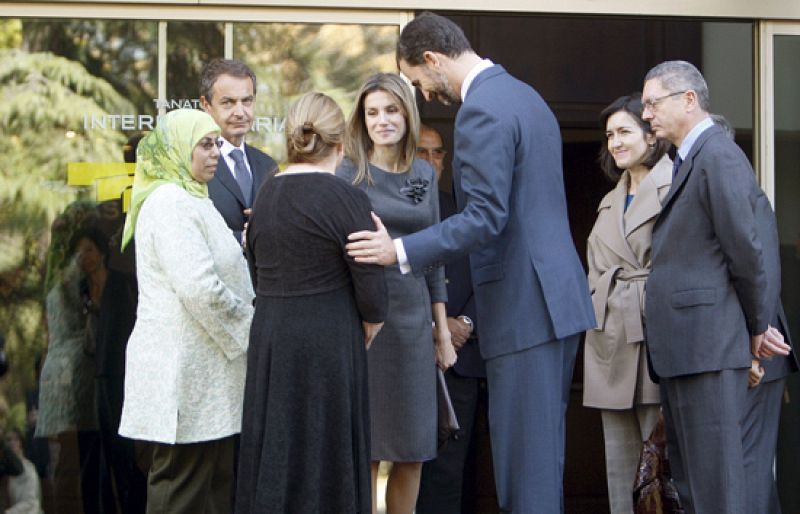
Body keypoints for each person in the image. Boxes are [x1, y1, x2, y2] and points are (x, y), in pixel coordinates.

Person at [346, 13, 596, 513]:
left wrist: (398, 250)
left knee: (524, 471)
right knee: (539, 462)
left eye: (417, 82)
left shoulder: (481, 109)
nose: (424, 96)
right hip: (550, 302)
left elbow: (484, 217)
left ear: (433, 60)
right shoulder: (525, 96)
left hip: (526, 306)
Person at [640, 60, 790, 513]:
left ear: (689, 99)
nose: (646, 114)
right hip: (689, 349)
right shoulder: (693, 159)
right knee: (695, 487)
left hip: (709, 347)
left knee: (716, 488)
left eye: (653, 102)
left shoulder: (718, 155)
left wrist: (757, 326)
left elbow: (746, 250)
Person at [235, 91, 387, 513]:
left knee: (276, 450)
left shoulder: (263, 197)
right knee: (328, 452)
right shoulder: (348, 198)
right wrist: (369, 323)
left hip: (272, 339)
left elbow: (256, 271)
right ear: (340, 146)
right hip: (329, 342)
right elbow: (373, 295)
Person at [118, 108, 254, 514]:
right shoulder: (170, 202)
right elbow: (201, 289)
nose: (215, 152)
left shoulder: (192, 195)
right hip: (184, 380)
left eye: (217, 143)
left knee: (208, 491)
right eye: (204, 144)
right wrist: (253, 328)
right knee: (184, 491)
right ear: (177, 149)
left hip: (205, 378)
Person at [337, 72, 456, 514]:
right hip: (363, 320)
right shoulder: (347, 171)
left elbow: (435, 255)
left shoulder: (424, 173)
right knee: (366, 446)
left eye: (391, 110)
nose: (382, 120)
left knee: (413, 447)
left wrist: (441, 332)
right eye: (372, 113)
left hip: (411, 324)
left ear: (407, 113)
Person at [582, 94, 671, 514]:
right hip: (610, 338)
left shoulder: (678, 185)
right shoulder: (610, 199)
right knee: (619, 466)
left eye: (625, 132)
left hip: (656, 335)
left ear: (652, 135)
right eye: (610, 135)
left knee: (663, 466)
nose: (615, 142)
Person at [711, 113, 799, 514]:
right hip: (728, 353)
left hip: (754, 353)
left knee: (748, 475)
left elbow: (759, 273)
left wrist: (753, 343)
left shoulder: (742, 193)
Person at [415, 124, 487, 514]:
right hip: (410, 354)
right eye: (421, 152)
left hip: (462, 358)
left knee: (454, 471)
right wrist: (431, 328)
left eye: (437, 153)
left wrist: (466, 324)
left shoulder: (465, 212)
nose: (430, 160)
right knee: (408, 466)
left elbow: (488, 273)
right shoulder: (392, 209)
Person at [199, 58, 278, 242]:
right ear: (206, 105)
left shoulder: (267, 165)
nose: (240, 112)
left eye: (247, 101)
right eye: (228, 102)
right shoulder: (192, 164)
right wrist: (243, 239)